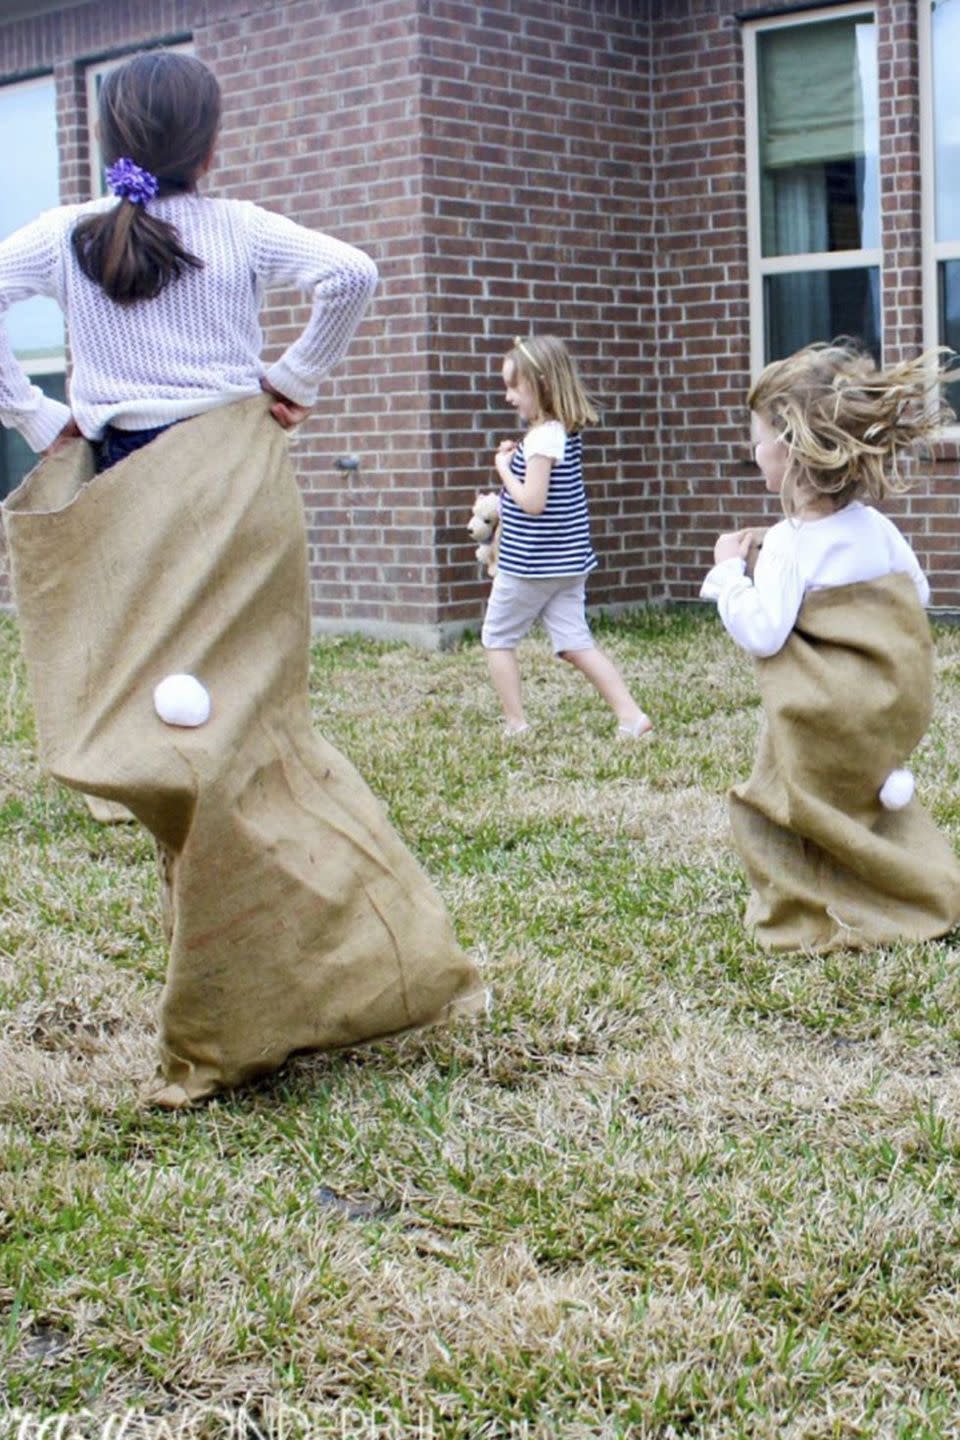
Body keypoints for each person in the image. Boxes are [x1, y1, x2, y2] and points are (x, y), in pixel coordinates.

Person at [0, 50, 483, 1106]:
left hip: (124, 492)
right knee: (249, 729)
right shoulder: (242, 229)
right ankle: (298, 966)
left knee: (168, 730)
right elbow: (353, 273)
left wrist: (38, 415)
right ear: (211, 145)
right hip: (231, 482)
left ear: (109, 139)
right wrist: (294, 377)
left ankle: (248, 978)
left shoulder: (68, 234)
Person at [700, 339, 960, 952]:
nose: (752, 450)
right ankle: (903, 887)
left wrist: (729, 576)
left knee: (784, 808)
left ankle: (804, 908)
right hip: (881, 718)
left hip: (820, 719)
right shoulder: (878, 528)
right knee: (867, 813)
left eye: (759, 436)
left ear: (788, 450)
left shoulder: (792, 543)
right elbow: (912, 595)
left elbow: (765, 634)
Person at [481, 334, 652, 738]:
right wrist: (517, 456)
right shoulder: (557, 433)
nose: (508, 397)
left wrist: (503, 467)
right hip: (568, 563)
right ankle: (631, 716)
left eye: (513, 386)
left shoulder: (542, 438)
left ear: (540, 384)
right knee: (575, 643)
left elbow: (533, 502)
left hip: (532, 565)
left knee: (497, 638)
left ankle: (515, 724)